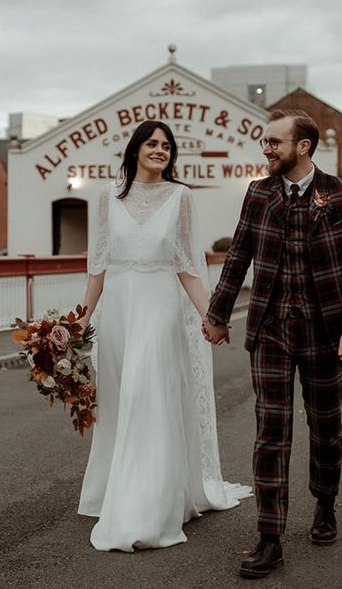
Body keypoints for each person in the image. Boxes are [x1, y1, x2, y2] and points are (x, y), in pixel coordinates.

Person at [203, 109, 342, 579]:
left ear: (303, 146)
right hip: (272, 330)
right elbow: (238, 254)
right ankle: (269, 536)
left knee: (326, 426)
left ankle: (325, 503)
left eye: (275, 141)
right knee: (270, 433)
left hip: (324, 331)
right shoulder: (258, 194)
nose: (266, 148)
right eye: (265, 141)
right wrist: (218, 314)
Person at [76, 120, 252, 552]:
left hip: (159, 308)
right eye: (152, 143)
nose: (160, 150)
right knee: (119, 399)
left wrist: (211, 317)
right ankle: (113, 490)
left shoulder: (181, 197)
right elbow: (98, 264)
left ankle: (148, 508)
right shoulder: (107, 197)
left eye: (166, 146)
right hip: (119, 313)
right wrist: (82, 319)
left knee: (146, 394)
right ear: (135, 148)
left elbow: (187, 265)